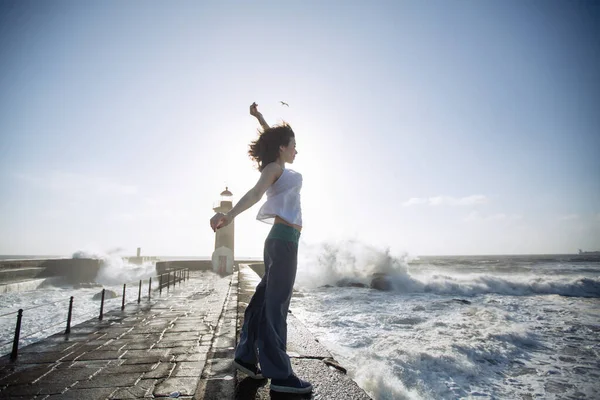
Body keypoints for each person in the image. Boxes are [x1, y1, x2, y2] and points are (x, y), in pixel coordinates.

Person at [209, 102, 312, 394]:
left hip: (282, 241)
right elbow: (255, 193)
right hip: (283, 242)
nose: (296, 150)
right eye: (294, 145)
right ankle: (281, 376)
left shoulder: (278, 165)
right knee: (276, 306)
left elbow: (271, 138)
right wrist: (228, 216)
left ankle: (245, 356)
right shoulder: (274, 169)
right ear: (282, 147)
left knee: (264, 300)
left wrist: (260, 118)